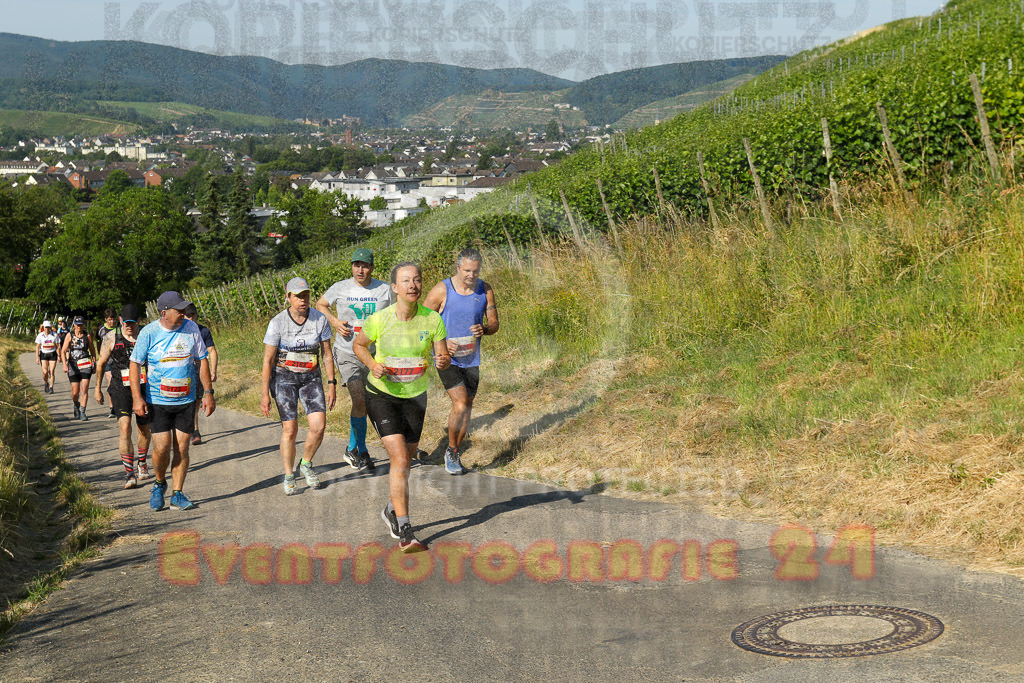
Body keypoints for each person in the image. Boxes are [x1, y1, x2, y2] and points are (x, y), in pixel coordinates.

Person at [354, 262, 450, 552]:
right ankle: (406, 529)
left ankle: (391, 508)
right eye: (406, 281)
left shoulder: (432, 320)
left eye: (417, 280)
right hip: (381, 395)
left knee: (405, 463)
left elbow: (441, 355)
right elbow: (359, 346)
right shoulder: (379, 319)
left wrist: (443, 361)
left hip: (416, 396)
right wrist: (372, 364)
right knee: (398, 458)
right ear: (394, 287)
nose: (413, 285)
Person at [129, 291, 215, 511]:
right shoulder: (149, 332)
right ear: (164, 312)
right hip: (158, 400)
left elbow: (202, 360)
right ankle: (159, 483)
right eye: (179, 310)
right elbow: (135, 364)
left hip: (186, 399)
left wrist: (208, 392)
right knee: (162, 447)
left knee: (182, 447)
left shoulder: (191, 328)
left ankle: (177, 493)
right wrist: (137, 399)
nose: (184, 313)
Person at [423, 247, 500, 475]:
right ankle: (451, 452)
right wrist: (442, 345)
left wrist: (484, 329)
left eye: (475, 271)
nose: (471, 276)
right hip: (447, 358)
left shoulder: (485, 290)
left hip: (472, 359)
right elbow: (422, 323)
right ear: (458, 268)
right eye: (467, 271)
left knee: (467, 407)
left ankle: (454, 449)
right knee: (461, 402)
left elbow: (495, 325)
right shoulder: (441, 290)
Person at [315, 247, 393, 472]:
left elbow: (398, 312)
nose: (361, 269)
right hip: (347, 352)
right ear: (351, 266)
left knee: (372, 402)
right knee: (359, 399)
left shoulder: (384, 290)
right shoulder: (341, 287)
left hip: (374, 354)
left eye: (365, 265)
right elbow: (321, 305)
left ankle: (356, 449)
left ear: (372, 268)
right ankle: (359, 449)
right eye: (356, 265)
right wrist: (335, 321)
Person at [261, 277, 336, 495]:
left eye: (306, 295)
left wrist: (331, 384)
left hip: (311, 377)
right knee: (290, 429)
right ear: (288, 298)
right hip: (284, 378)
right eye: (297, 296)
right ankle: (288, 474)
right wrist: (264, 393)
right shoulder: (277, 322)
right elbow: (267, 359)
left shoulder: (319, 319)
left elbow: (327, 355)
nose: (303, 300)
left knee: (318, 426)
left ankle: (306, 464)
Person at [94, 304, 152, 488]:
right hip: (120, 387)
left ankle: (142, 463)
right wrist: (98, 388)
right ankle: (129, 473)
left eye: (133, 323)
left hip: (143, 387)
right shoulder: (112, 337)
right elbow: (101, 363)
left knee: (144, 428)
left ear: (139, 322)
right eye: (126, 323)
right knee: (125, 427)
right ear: (120, 321)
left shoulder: (146, 335)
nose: (129, 326)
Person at [183, 304, 218, 445]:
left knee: (196, 401)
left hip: (199, 371)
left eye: (193, 316)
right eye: (188, 316)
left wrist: (213, 370)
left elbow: (212, 351)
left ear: (197, 315)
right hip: (182, 372)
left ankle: (195, 430)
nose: (191, 319)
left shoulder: (204, 331)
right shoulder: (180, 331)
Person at [61, 317, 97, 420]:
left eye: (81, 325)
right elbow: (63, 351)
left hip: (85, 364)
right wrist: (64, 364)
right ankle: (76, 404)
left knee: (84, 389)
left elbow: (92, 350)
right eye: (77, 325)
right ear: (74, 325)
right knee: (75, 392)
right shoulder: (69, 335)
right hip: (73, 365)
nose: (79, 327)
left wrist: (94, 363)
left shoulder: (87, 336)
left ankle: (83, 412)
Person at [97, 308, 118, 418]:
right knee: (110, 382)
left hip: (119, 360)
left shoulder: (119, 329)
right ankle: (112, 408)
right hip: (107, 360)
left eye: (114, 319)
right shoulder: (101, 329)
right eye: (110, 320)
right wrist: (101, 356)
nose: (112, 322)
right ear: (106, 319)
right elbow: (98, 342)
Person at [34, 320, 59, 394]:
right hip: (43, 354)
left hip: (52, 354)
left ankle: (51, 387)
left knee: (51, 371)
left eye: (48, 327)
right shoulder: (40, 335)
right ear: (43, 328)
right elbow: (37, 347)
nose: (47, 329)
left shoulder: (54, 335)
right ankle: (46, 383)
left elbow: (58, 346)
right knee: (45, 372)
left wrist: (60, 355)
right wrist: (37, 358)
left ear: (50, 328)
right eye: (46, 327)